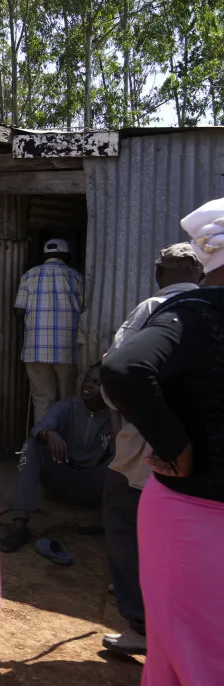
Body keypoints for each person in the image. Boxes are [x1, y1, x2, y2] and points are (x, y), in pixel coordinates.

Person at [101, 198, 224, 686]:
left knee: (187, 652)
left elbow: (120, 371)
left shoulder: (174, 310)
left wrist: (171, 441)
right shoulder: (186, 310)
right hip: (169, 462)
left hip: (167, 466)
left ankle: (137, 626)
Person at [99, 243, 202, 657]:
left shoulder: (151, 310)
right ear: (197, 273)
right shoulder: (210, 308)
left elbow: (115, 376)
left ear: (160, 273)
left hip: (147, 450)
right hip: (201, 451)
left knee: (125, 526)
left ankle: (141, 624)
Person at [0, 364, 113, 553]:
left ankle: (107, 523)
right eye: (87, 379)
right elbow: (38, 430)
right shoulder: (67, 406)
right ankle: (19, 525)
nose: (88, 385)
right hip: (62, 479)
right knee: (32, 445)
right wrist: (48, 433)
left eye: (97, 383)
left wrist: (115, 413)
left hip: (92, 487)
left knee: (120, 461)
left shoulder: (113, 417)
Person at [15, 238, 85, 424]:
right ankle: (64, 446)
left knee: (42, 399)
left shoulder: (29, 275)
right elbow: (85, 308)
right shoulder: (76, 277)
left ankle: (42, 445)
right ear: (66, 256)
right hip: (67, 349)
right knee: (68, 399)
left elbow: (19, 309)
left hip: (35, 348)